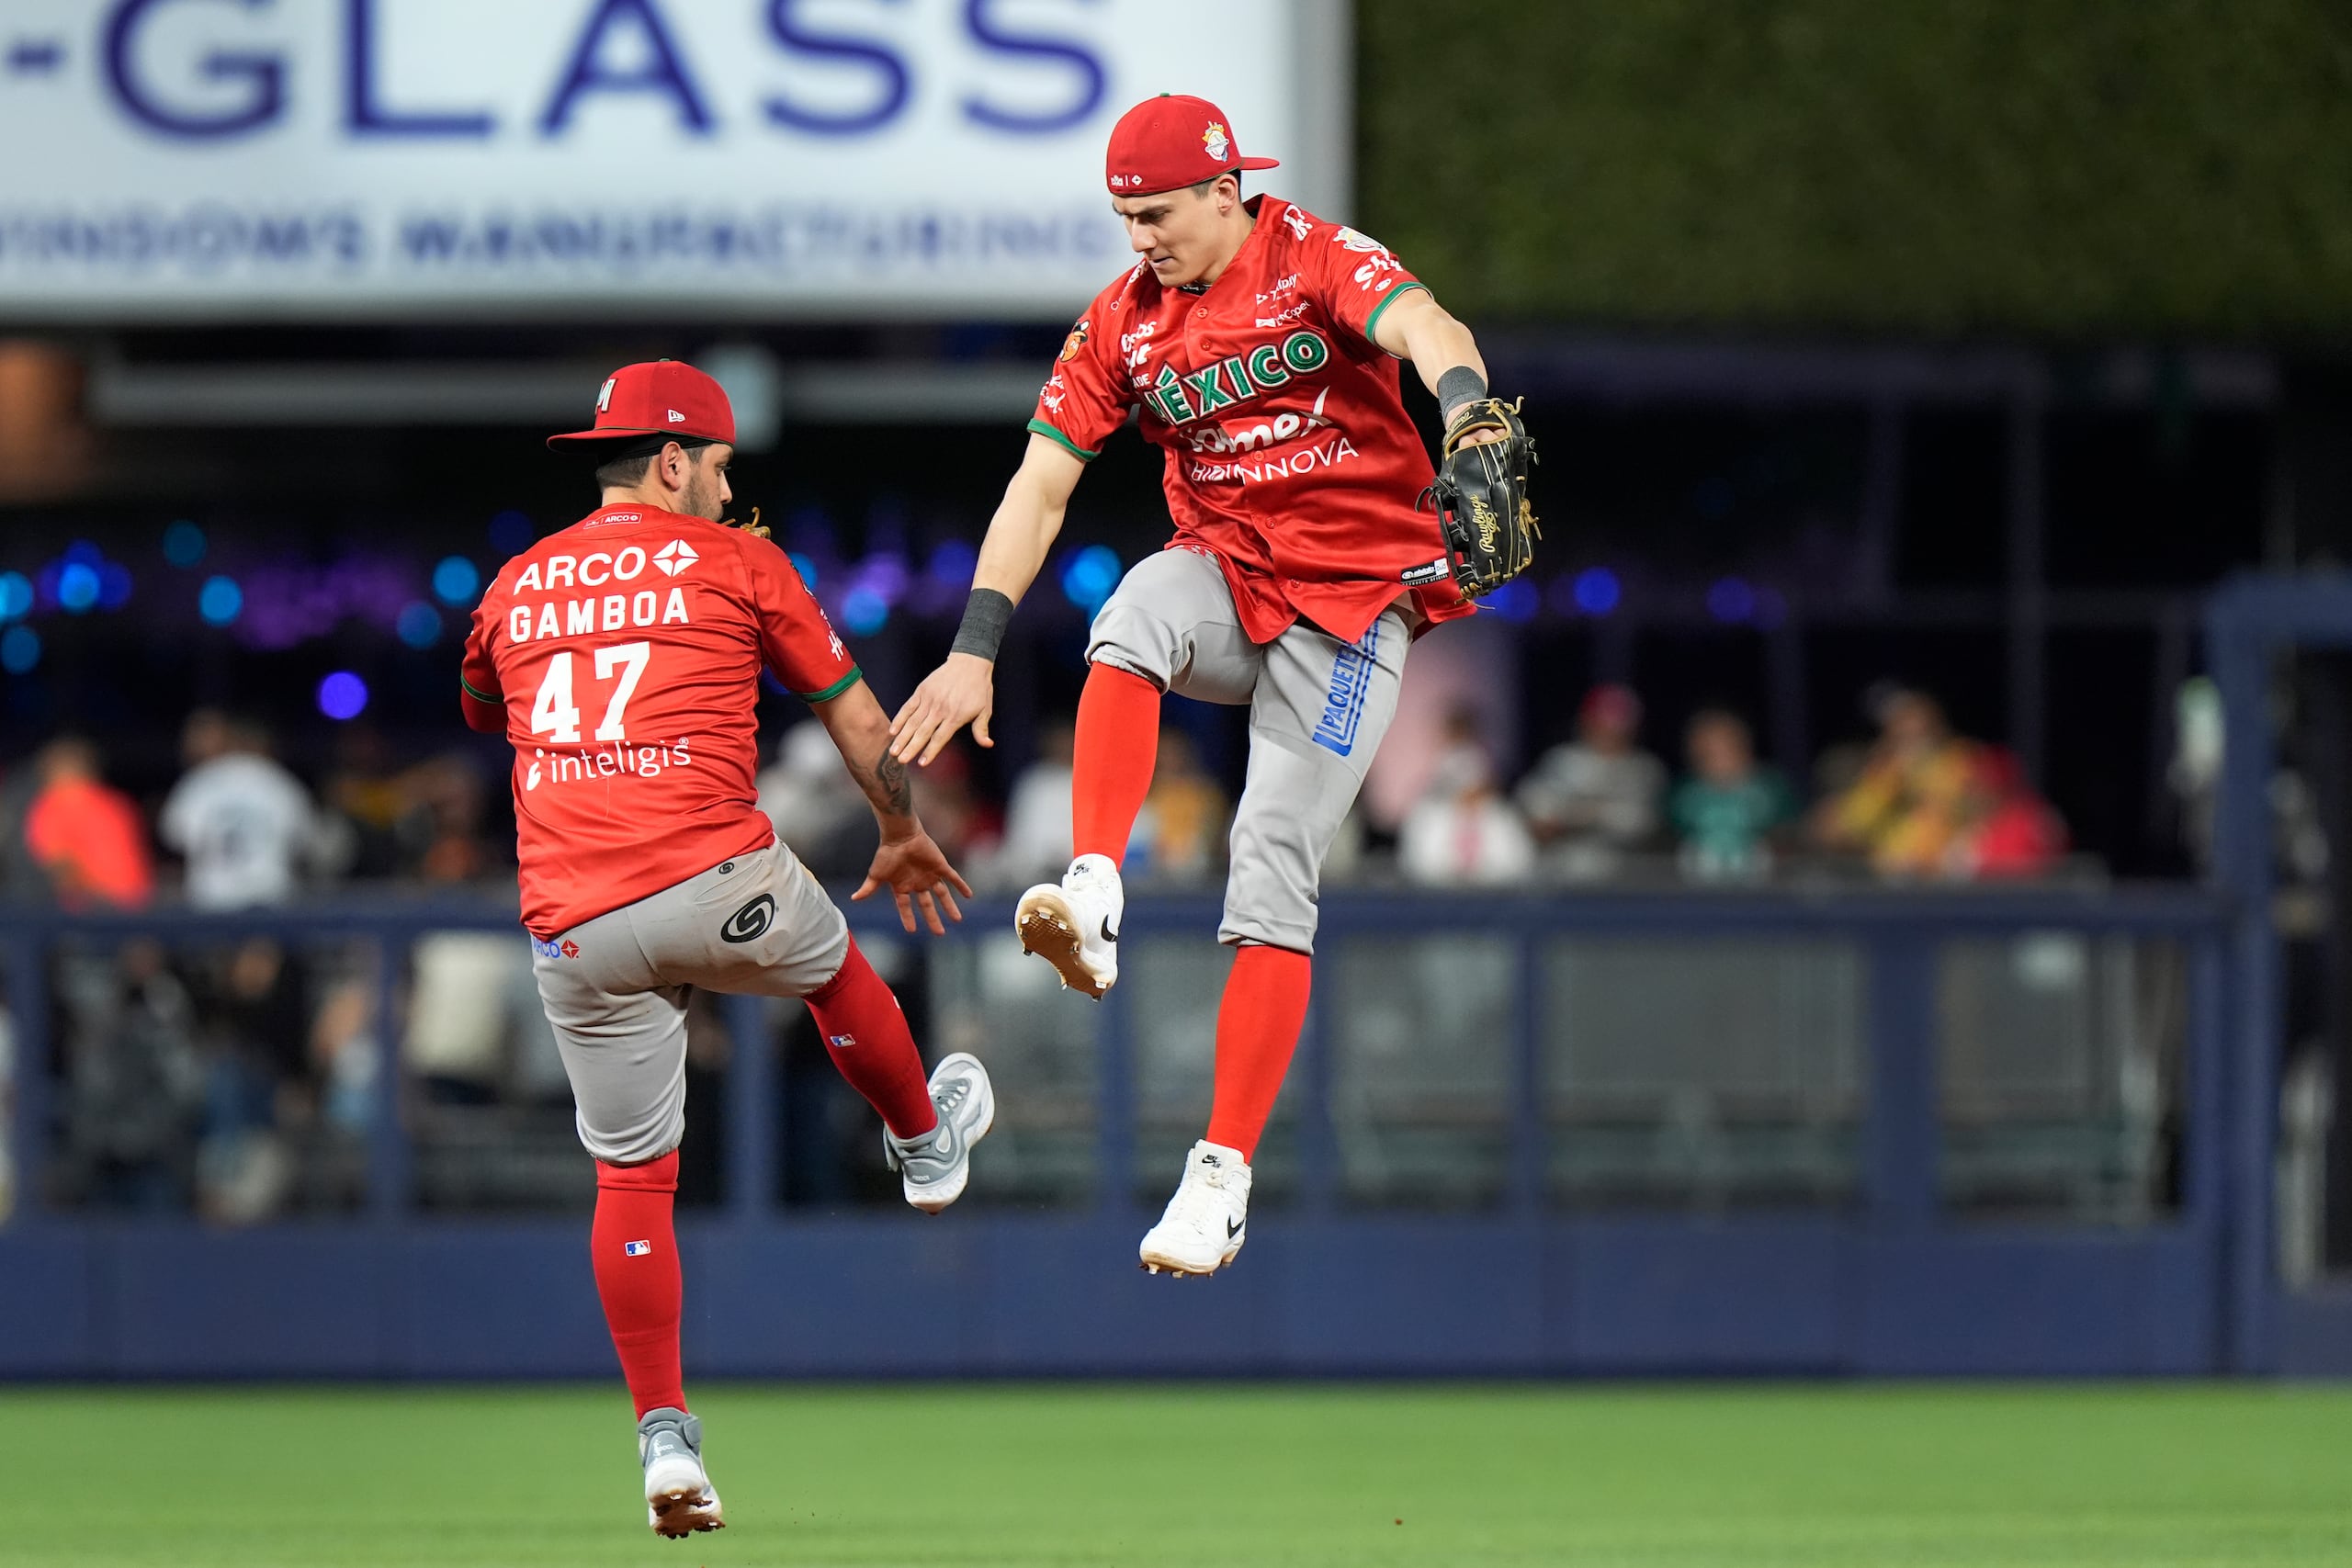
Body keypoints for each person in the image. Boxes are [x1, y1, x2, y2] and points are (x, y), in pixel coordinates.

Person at [888, 95, 1520, 1277]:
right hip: (1229, 580)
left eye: (1159, 213)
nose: (1140, 238)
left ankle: (1219, 1176)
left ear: (1225, 191)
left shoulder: (1307, 255)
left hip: (1353, 612)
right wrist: (973, 644)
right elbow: (1036, 489)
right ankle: (1091, 886)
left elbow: (1424, 321)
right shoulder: (1124, 321)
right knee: (1129, 611)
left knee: (1271, 856)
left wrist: (1468, 410)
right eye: (1124, 217)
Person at [458, 359, 991, 1539]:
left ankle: (661, 1434)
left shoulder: (512, 584)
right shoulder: (740, 560)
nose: (723, 483)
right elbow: (858, 722)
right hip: (711, 876)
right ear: (671, 461)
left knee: (632, 1178)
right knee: (839, 967)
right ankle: (923, 1143)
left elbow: (494, 712)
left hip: (575, 924)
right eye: (716, 465)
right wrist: (901, 830)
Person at [158, 711, 321, 908]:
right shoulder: (281, 783)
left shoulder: (200, 781)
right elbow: (307, 843)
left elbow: (174, 838)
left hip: (213, 900)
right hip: (269, 899)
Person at [1514, 683, 1666, 880]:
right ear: (1586, 722)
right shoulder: (1563, 760)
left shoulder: (1645, 769)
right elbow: (1537, 811)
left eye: (1617, 726)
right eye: (1601, 724)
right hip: (1562, 878)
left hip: (1625, 881)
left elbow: (1639, 823)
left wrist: (1576, 816)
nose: (1609, 732)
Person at [1399, 708, 1537, 886]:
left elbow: (1518, 866)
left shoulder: (1500, 816)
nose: (1469, 789)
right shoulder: (1428, 815)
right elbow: (1418, 867)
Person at [1669, 708, 1796, 882]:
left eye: (1725, 745)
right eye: (1709, 749)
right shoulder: (1684, 792)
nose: (1719, 756)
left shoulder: (1769, 788)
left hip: (1764, 888)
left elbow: (1790, 836)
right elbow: (1667, 839)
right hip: (1694, 889)